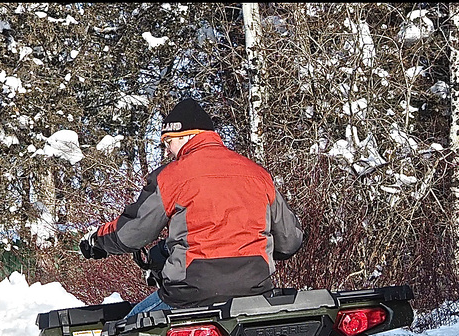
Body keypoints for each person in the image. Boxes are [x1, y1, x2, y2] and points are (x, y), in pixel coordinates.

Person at [79, 98, 305, 316]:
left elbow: (131, 234)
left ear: (187, 136)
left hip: (191, 296)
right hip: (256, 294)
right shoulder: (258, 175)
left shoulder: (171, 177)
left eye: (169, 142)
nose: (167, 151)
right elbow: (290, 242)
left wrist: (97, 241)